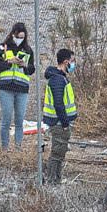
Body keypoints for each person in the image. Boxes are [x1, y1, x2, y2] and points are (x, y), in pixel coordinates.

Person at [0, 22, 34, 151]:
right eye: (18, 36)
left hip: (22, 89)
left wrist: (24, 65)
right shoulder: (3, 47)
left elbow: (32, 69)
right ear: (13, 34)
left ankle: (18, 148)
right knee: (6, 119)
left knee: (19, 120)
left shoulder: (28, 50)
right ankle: (5, 148)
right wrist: (9, 62)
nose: (19, 39)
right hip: (6, 88)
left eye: (22, 37)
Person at [41, 48, 76, 184]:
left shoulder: (59, 77)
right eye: (72, 61)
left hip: (59, 122)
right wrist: (66, 124)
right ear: (66, 62)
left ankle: (55, 179)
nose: (73, 65)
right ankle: (52, 181)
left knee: (59, 153)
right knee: (57, 154)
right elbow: (58, 104)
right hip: (59, 123)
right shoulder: (57, 80)